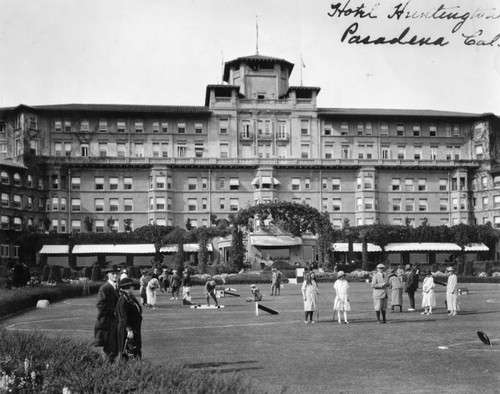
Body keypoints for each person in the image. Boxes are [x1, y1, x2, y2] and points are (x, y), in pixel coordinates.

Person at [93, 266, 120, 362]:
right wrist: (113, 312)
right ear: (108, 275)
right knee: (109, 349)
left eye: (117, 273)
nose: (115, 275)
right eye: (113, 273)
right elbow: (100, 304)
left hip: (115, 322)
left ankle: (109, 368)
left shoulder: (116, 287)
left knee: (115, 348)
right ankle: (106, 370)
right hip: (107, 322)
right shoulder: (104, 288)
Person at [117, 277, 142, 360]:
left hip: (134, 327)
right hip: (127, 329)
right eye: (131, 286)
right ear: (127, 287)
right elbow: (124, 316)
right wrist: (129, 330)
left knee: (135, 349)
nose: (133, 287)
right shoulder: (123, 300)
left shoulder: (129, 297)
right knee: (128, 351)